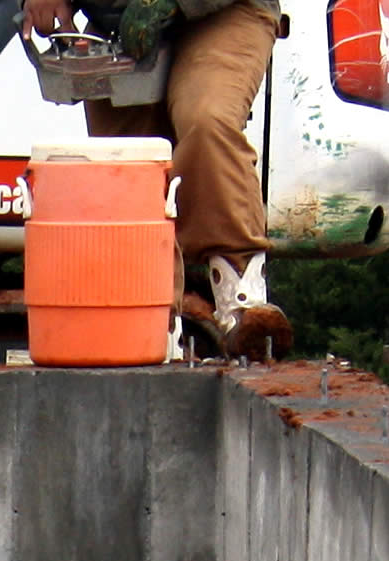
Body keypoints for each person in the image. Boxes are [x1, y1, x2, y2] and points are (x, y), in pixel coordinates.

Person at [31, 0, 289, 351]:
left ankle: (242, 301)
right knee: (129, 163)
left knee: (207, 119)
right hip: (117, 23)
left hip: (223, 12)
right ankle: (151, 324)